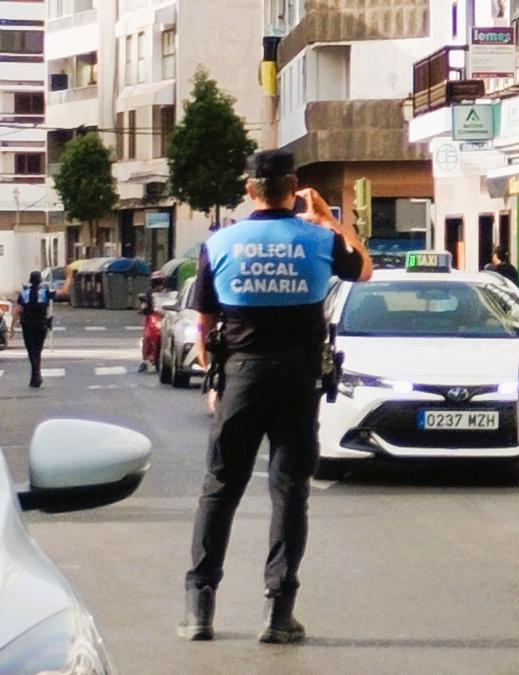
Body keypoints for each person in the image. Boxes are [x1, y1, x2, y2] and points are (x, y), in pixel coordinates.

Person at [179, 149, 373, 644]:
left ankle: (200, 611)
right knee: (289, 493)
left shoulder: (221, 242)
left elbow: (203, 322)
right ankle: (278, 613)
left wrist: (212, 377)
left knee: (219, 489)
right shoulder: (317, 238)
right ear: (295, 189)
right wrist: (332, 221)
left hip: (241, 376)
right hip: (297, 378)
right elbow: (364, 269)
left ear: (249, 192)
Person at [13, 270, 66, 388]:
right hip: (41, 324)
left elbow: (18, 310)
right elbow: (62, 292)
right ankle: (36, 375)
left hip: (27, 325)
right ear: (40, 280)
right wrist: (70, 278)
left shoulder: (24, 293)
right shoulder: (45, 292)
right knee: (38, 349)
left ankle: (35, 375)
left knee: (31, 350)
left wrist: (12, 327)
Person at [139, 271, 168, 373]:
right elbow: (145, 304)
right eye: (156, 281)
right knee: (147, 337)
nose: (158, 284)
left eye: (160, 281)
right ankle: (144, 361)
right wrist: (144, 307)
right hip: (152, 316)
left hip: (165, 316)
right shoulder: (149, 292)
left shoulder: (169, 292)